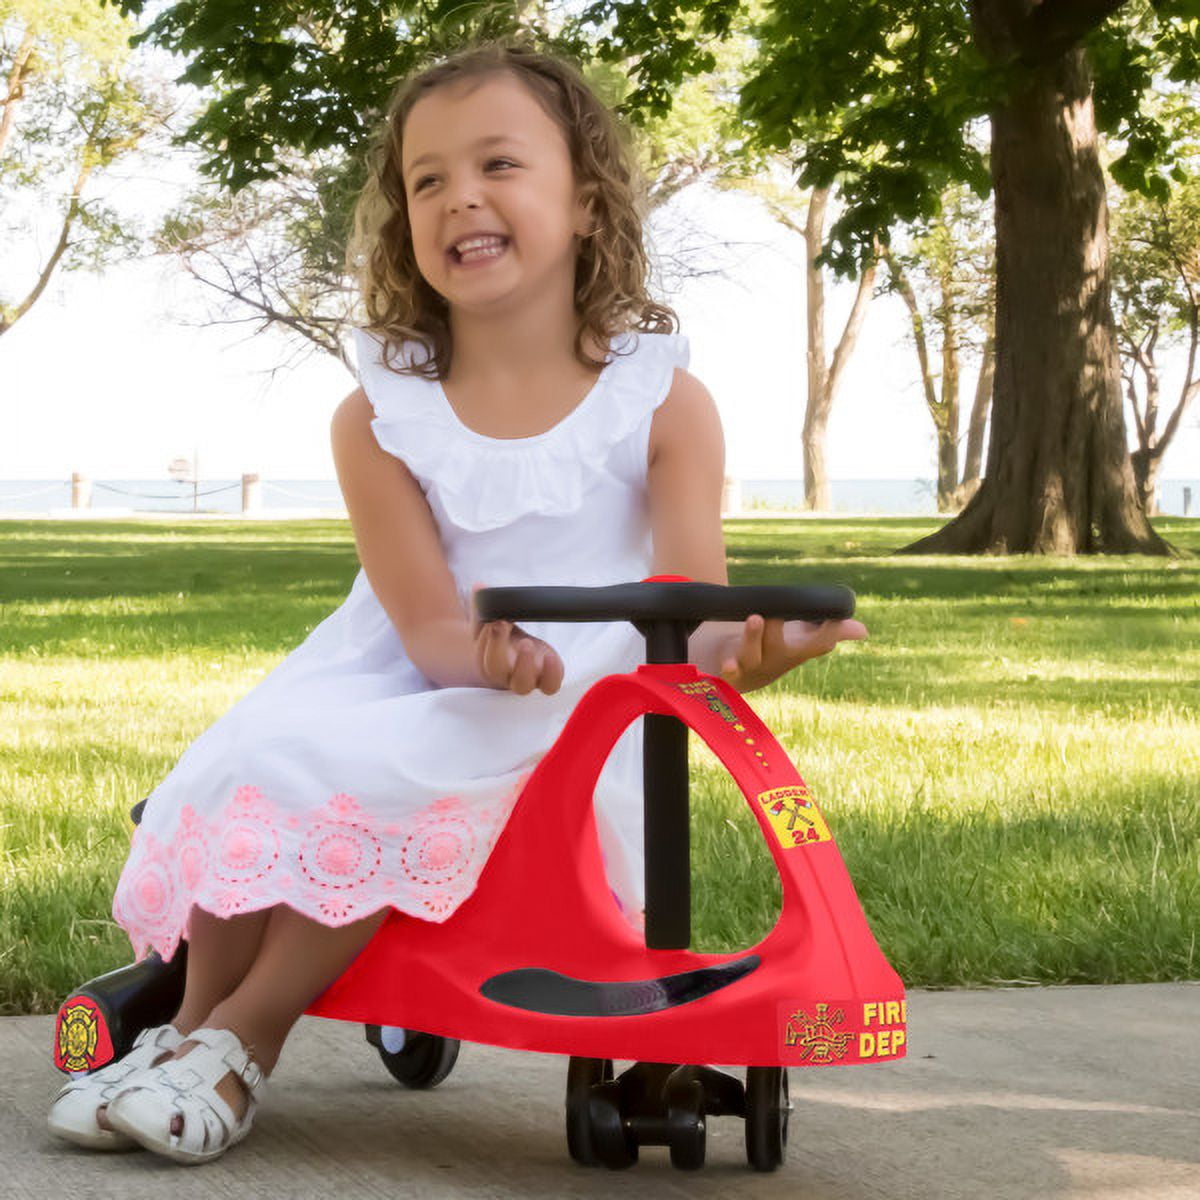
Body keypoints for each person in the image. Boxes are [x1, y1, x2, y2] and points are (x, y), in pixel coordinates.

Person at [48, 40, 866, 1165]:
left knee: (399, 770)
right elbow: (429, 626)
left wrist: (757, 648)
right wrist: (478, 656)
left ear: (586, 202)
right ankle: (182, 1033)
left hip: (576, 711)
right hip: (422, 667)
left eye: (498, 164)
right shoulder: (379, 414)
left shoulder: (663, 402)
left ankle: (244, 1041)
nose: (460, 198)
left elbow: (696, 606)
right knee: (264, 754)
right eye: (427, 179)